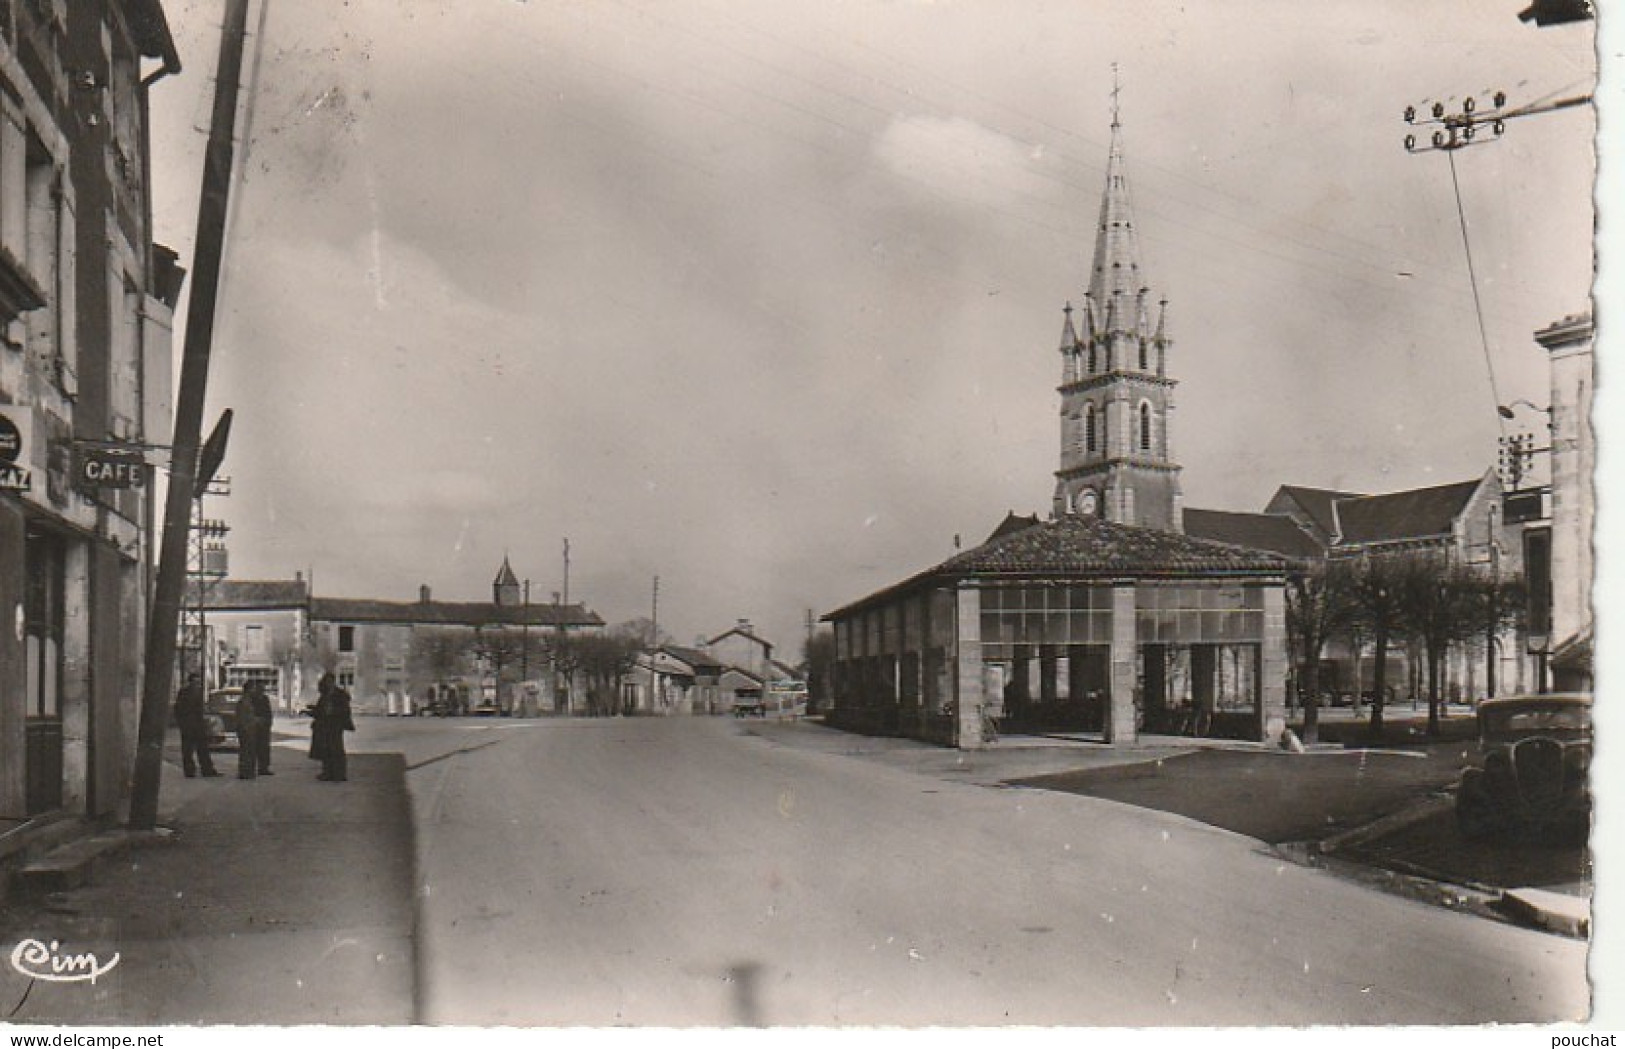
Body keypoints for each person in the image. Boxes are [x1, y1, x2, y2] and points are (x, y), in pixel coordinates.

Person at [309, 672, 355, 782]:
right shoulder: (324, 695)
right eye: (327, 682)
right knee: (326, 749)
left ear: (333, 682)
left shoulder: (340, 694)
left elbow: (345, 710)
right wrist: (310, 710)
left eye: (330, 682)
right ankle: (327, 773)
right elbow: (320, 711)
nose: (329, 684)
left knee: (337, 749)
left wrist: (334, 713)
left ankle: (340, 774)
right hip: (325, 725)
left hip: (336, 725)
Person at [173, 672, 221, 778]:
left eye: (198, 682)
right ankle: (190, 771)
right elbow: (178, 709)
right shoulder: (184, 693)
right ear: (190, 682)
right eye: (195, 682)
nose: (197, 684)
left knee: (203, 748)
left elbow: (200, 710)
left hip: (198, 725)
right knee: (187, 750)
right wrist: (182, 723)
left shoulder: (198, 693)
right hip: (188, 725)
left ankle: (207, 769)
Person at [247, 680, 274, 775]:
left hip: (264, 727)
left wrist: (268, 723)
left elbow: (269, 712)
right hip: (255, 727)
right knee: (253, 748)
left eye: (263, 689)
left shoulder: (265, 699)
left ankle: (264, 768)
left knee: (265, 749)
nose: (262, 690)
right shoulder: (252, 699)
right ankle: (251, 768)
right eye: (260, 688)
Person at [234, 689, 259, 780]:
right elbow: (243, 718)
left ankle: (248, 772)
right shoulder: (244, 702)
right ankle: (245, 772)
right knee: (246, 752)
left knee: (248, 752)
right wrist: (246, 728)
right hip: (246, 731)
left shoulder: (248, 702)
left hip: (249, 730)